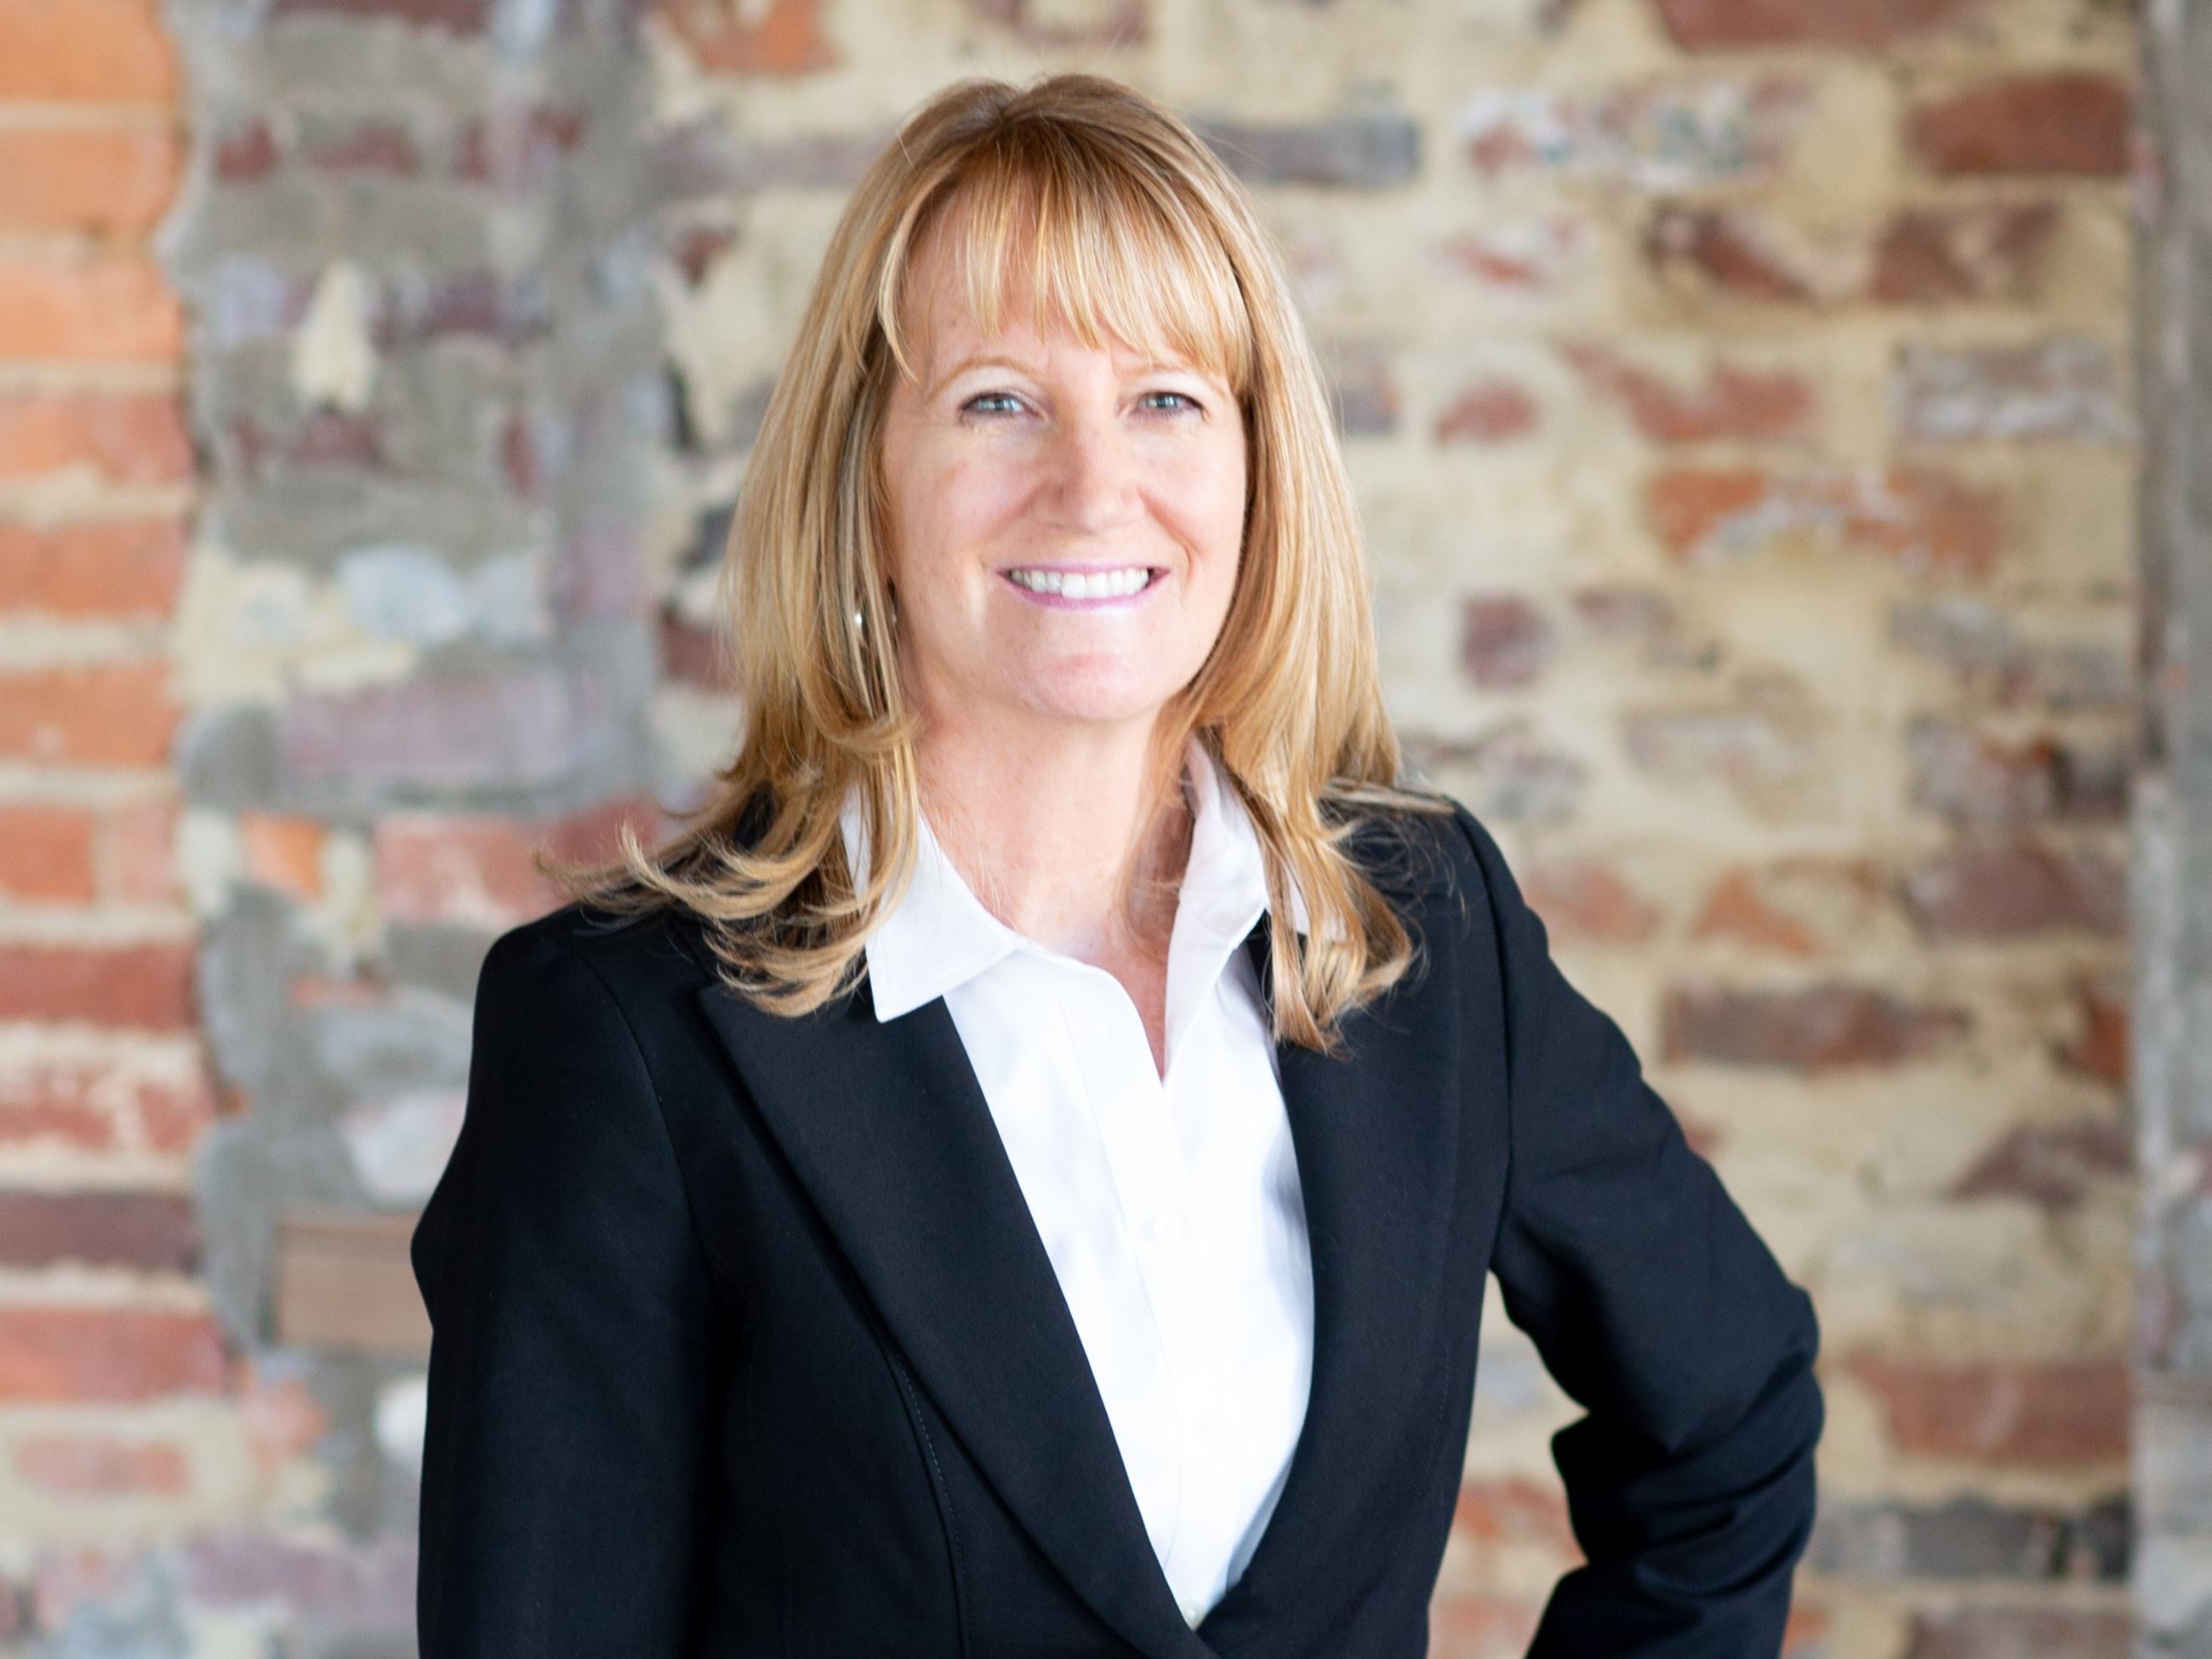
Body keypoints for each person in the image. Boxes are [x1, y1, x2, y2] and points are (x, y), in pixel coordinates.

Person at [409, 70, 1822, 1657]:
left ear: (1254, 467)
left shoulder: (1421, 927)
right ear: (867, 478)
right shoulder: (627, 1036)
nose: (1095, 486)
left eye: (1166, 399)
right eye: (998, 400)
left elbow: (1732, 1420)